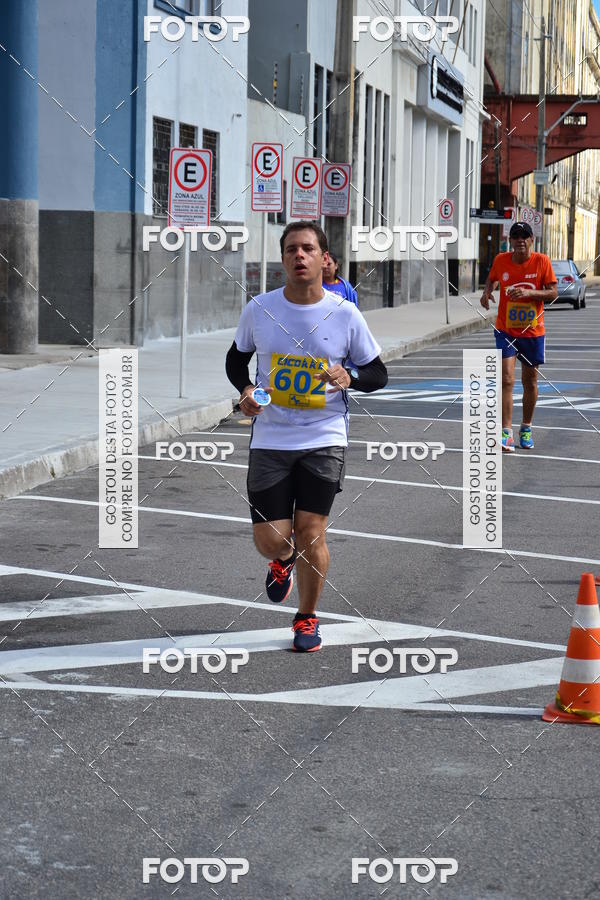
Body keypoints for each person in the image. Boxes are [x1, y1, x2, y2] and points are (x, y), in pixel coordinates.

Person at [225, 222, 388, 651]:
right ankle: (282, 560)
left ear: (323, 258)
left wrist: (350, 377)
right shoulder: (260, 309)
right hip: (271, 438)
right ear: (283, 259)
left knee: (311, 532)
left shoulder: (345, 313)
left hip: (325, 436)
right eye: (291, 249)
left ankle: (306, 617)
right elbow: (236, 360)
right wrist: (245, 390)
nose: (300, 255)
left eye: (308, 249)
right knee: (272, 540)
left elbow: (378, 373)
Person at [480, 221, 557, 452]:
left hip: (532, 331)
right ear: (510, 240)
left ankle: (526, 427)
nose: (520, 240)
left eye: (525, 236)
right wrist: (487, 292)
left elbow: (553, 293)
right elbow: (492, 278)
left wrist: (528, 292)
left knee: (530, 381)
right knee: (506, 379)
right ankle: (506, 433)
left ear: (531, 239)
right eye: (516, 236)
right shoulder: (501, 260)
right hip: (506, 329)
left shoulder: (542, 261)